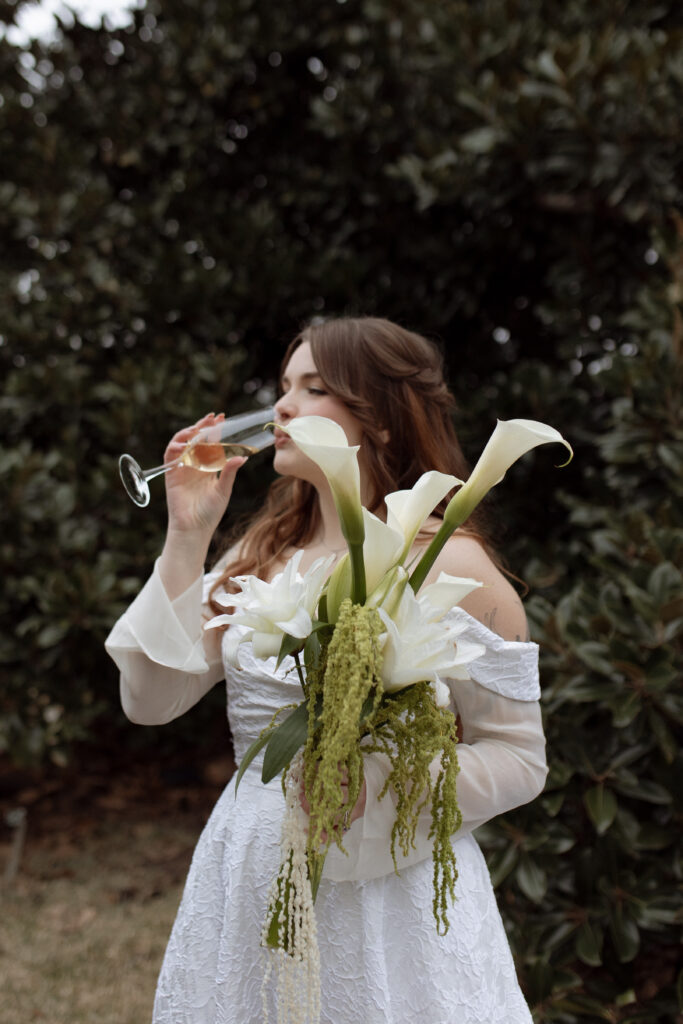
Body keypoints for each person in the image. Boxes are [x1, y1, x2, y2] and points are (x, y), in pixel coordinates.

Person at [105, 316, 548, 1024]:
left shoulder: (447, 561)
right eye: (282, 387)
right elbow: (151, 700)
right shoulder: (261, 551)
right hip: (251, 865)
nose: (279, 407)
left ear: (378, 420)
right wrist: (187, 532)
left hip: (389, 889)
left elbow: (519, 756)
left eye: (313, 389)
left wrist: (377, 789)